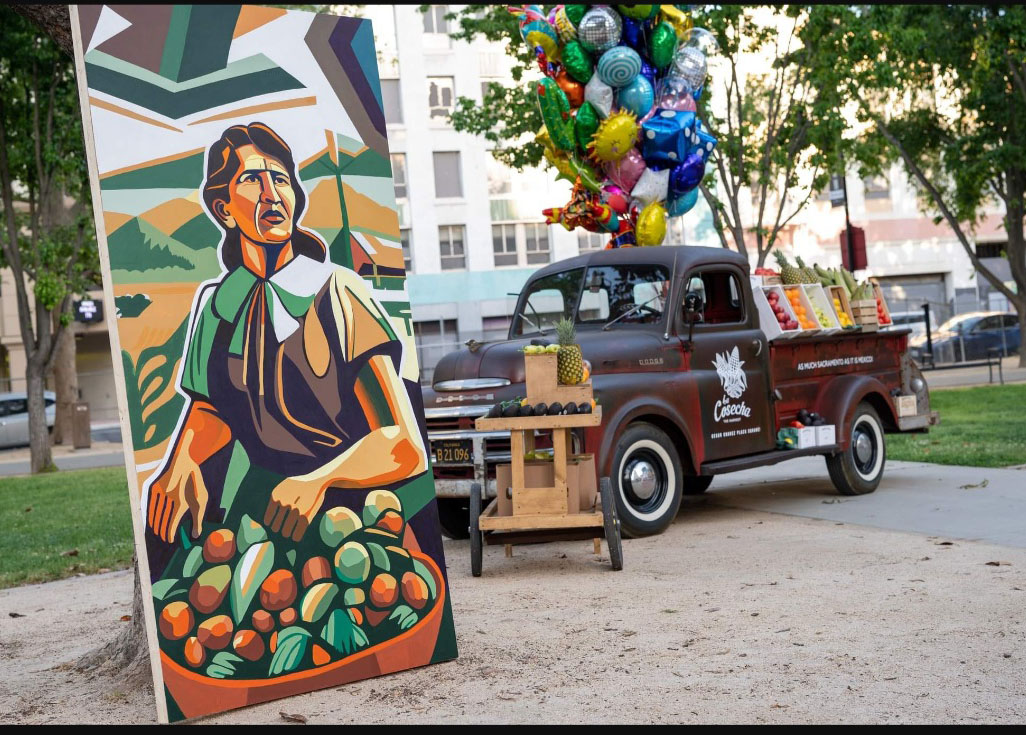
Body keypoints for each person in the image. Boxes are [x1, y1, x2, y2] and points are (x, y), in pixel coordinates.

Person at [143, 122, 426, 558]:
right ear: (223, 209)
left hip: (354, 514)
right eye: (251, 180)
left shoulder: (338, 291)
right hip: (261, 516)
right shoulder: (218, 303)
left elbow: (404, 443)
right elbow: (211, 407)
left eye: (280, 179)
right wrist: (181, 460)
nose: (271, 194)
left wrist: (321, 480)